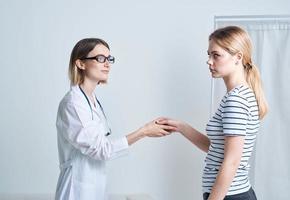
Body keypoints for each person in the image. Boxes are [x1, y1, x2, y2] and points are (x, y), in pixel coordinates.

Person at [55, 38, 176, 200]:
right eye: (100, 58)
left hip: (95, 186)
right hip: (76, 189)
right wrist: (144, 131)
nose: (107, 64)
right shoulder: (73, 103)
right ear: (80, 64)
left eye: (109, 58)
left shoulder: (91, 100)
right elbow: (101, 149)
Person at [157, 26, 268, 200]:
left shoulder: (236, 100)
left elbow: (231, 161)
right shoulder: (240, 95)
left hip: (229, 195)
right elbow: (217, 148)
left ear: (238, 57)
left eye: (216, 55)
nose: (209, 61)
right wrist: (181, 127)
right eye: (208, 55)